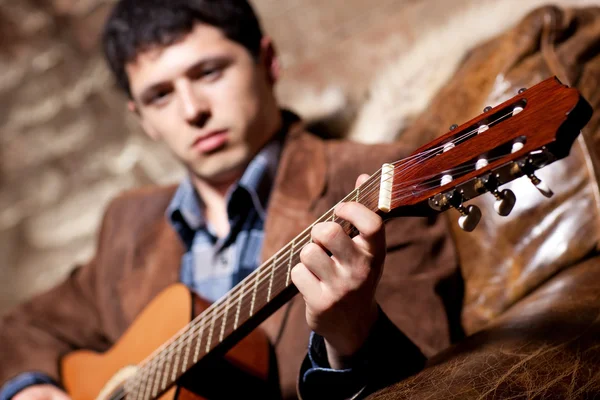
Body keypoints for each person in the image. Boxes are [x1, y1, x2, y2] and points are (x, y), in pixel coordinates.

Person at [0, 0, 458, 399]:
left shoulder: (375, 183)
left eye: (209, 72)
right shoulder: (127, 220)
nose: (192, 109)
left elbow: (435, 379)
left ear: (268, 62)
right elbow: (22, 328)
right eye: (160, 95)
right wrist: (31, 387)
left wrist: (354, 333)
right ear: (143, 121)